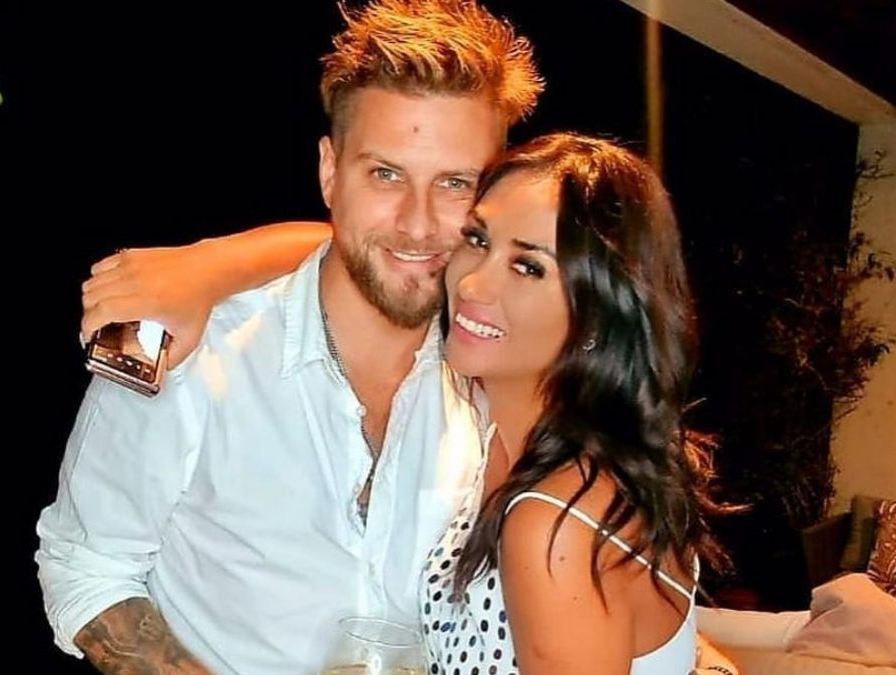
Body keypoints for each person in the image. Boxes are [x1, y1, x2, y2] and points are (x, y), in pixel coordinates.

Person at [80, 133, 727, 674]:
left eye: (528, 267)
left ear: (599, 313)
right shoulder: (505, 428)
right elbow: (365, 254)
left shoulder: (553, 522)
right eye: (478, 239)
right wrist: (213, 264)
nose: (473, 283)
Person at [35, 1, 543, 673]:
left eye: (455, 183)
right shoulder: (179, 342)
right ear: (330, 171)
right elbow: (85, 566)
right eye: (385, 174)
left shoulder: (492, 378)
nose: (418, 224)